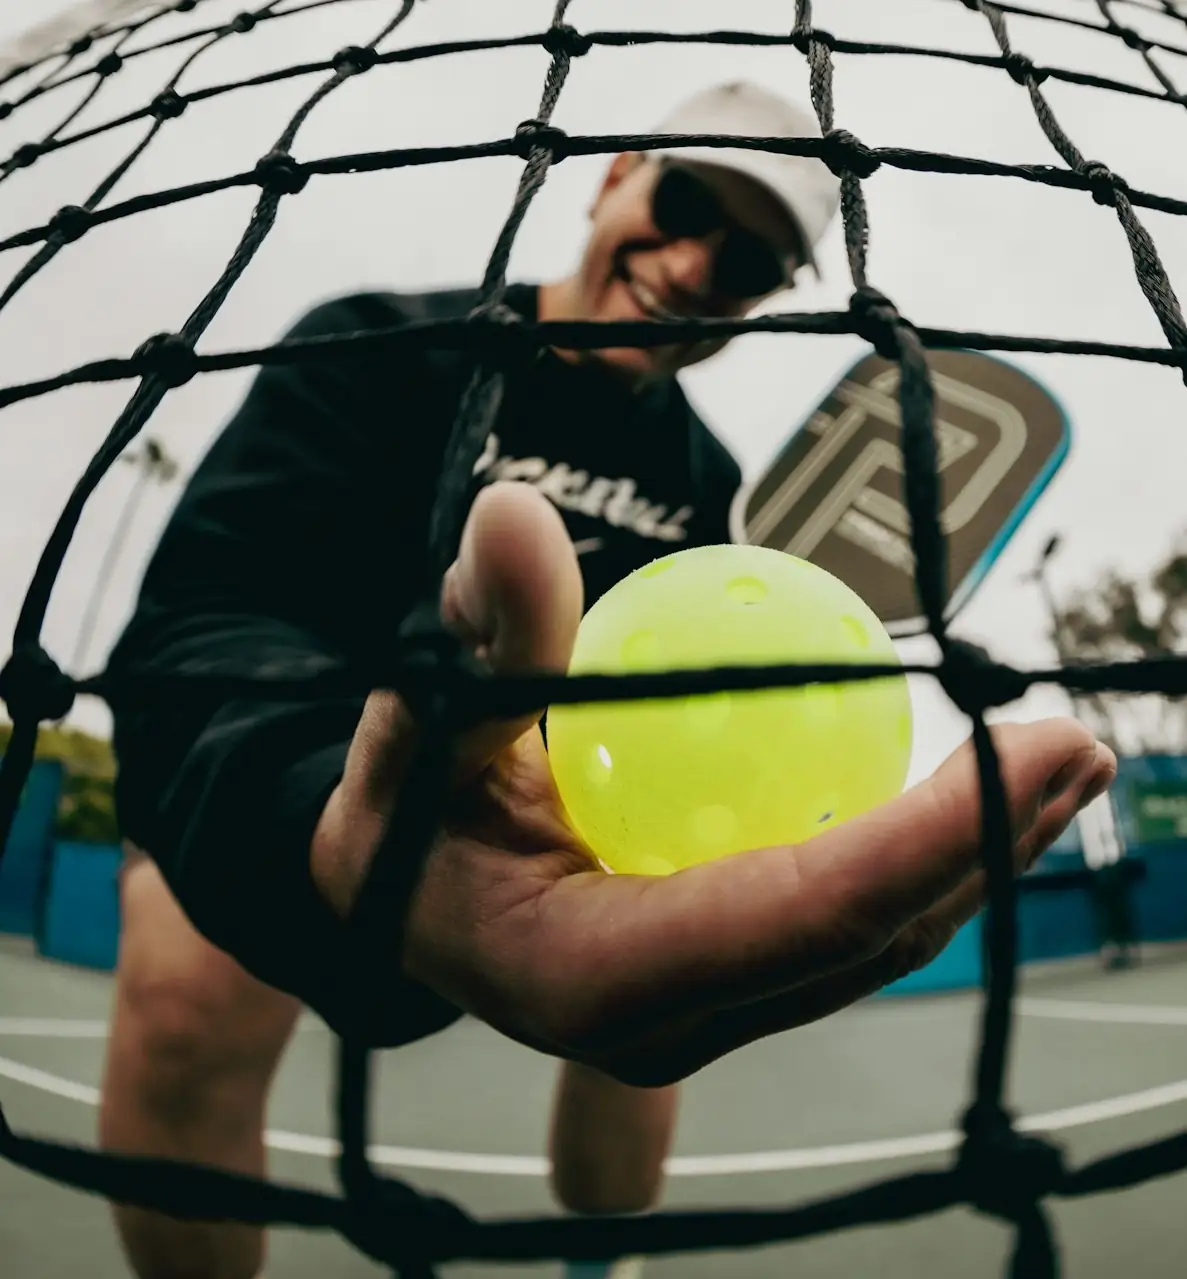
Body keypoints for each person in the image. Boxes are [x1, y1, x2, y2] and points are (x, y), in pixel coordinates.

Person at [97, 80, 1116, 1279]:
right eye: (682, 204)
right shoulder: (379, 347)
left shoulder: (712, 492)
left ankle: (602, 1260)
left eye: (746, 261)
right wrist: (315, 805)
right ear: (613, 174)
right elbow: (213, 609)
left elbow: (715, 721)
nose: (690, 266)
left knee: (661, 998)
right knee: (178, 990)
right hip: (292, 776)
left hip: (559, 833)